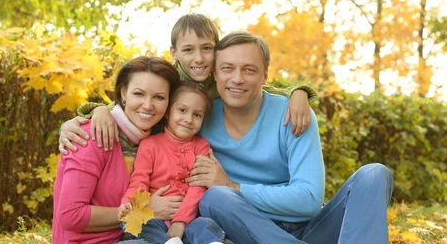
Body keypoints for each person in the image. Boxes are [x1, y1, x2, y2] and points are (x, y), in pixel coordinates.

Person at [186, 31, 394, 244]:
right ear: (214, 73)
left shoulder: (294, 114)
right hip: (250, 240)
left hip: (309, 232)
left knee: (375, 174)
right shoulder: (199, 117)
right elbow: (161, 98)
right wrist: (113, 114)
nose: (237, 79)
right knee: (214, 198)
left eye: (249, 70)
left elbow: (308, 200)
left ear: (265, 76)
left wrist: (234, 185)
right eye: (227, 68)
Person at [61, 13, 319, 155]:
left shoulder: (221, 80)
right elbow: (126, 104)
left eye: (207, 48)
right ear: (173, 51)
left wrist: (298, 93)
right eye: (188, 50)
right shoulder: (167, 80)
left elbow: (261, 89)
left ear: (216, 50)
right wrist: (97, 110)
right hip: (156, 153)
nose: (199, 58)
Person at [51, 56, 188, 244]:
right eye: (139, 94)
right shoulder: (90, 135)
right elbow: (71, 215)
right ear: (123, 92)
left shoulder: (155, 140)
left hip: (134, 238)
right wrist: (141, 210)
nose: (148, 105)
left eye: (159, 97)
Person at [119, 81, 246, 244]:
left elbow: (198, 187)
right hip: (157, 219)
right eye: (182, 110)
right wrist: (128, 202)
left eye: (197, 115)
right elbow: (139, 180)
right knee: (134, 221)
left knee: (207, 226)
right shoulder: (151, 144)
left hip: (191, 218)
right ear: (168, 112)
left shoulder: (201, 146)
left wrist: (180, 221)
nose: (189, 119)